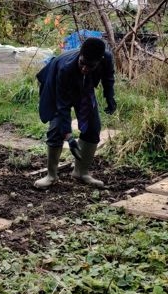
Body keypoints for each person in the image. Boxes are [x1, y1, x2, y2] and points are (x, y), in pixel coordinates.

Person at [34, 37, 116, 189]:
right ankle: (51, 176)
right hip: (56, 86)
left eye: (90, 66)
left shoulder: (106, 58)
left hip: (83, 88)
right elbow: (62, 107)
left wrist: (110, 97)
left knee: (93, 127)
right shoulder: (65, 67)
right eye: (82, 63)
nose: (85, 68)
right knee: (56, 128)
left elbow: (108, 78)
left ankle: (81, 172)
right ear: (80, 55)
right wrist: (69, 137)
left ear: (100, 60)